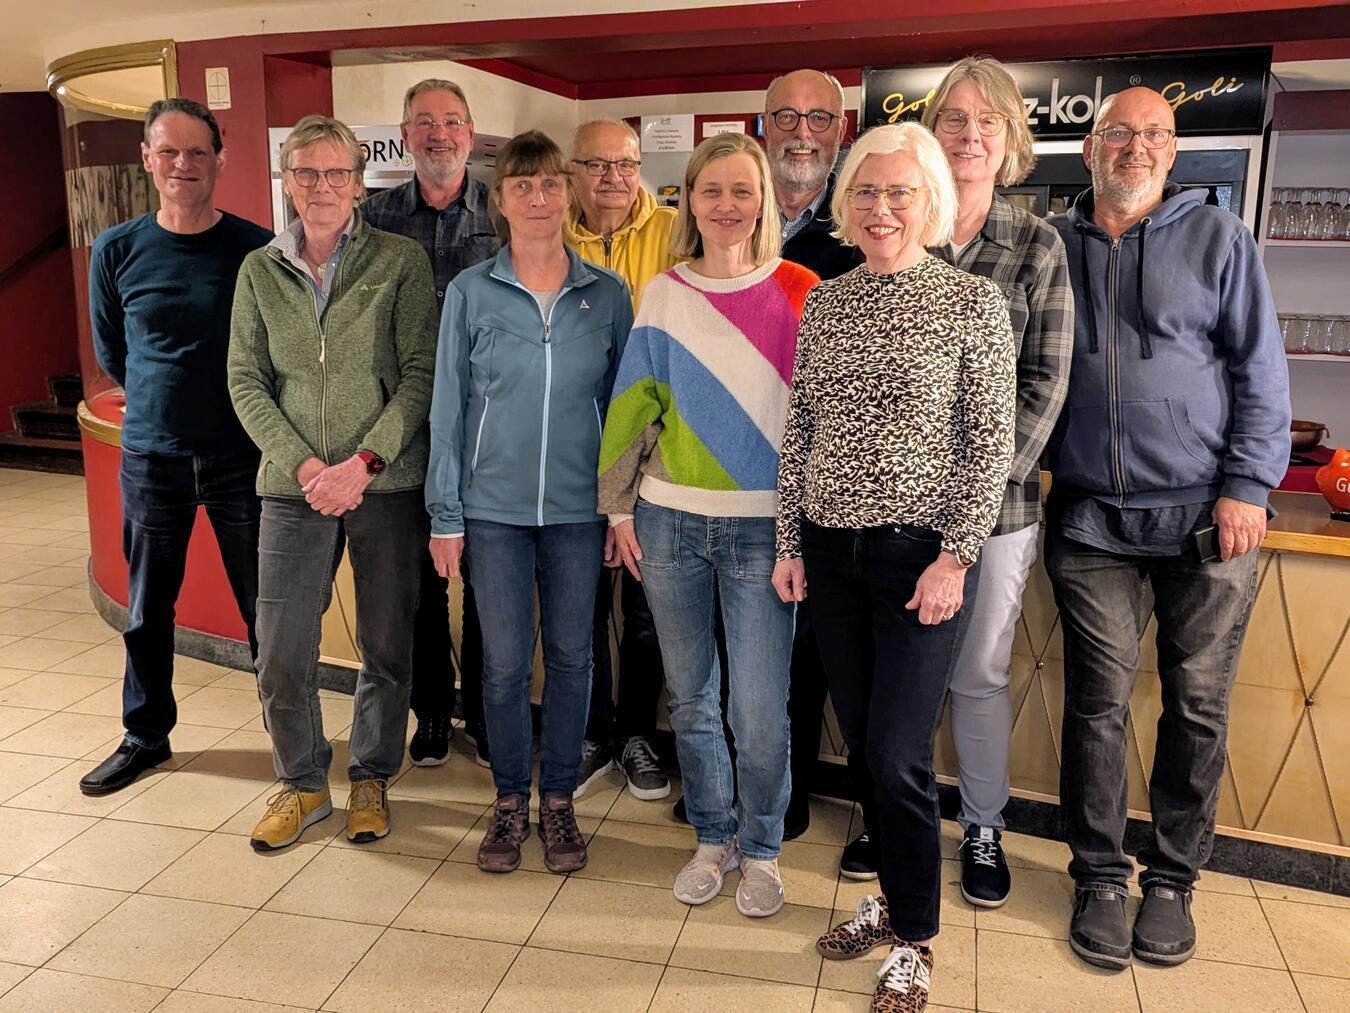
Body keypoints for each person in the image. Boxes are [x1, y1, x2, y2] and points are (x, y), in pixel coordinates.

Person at [1045, 87, 1290, 971]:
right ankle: (1101, 874)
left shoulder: (1220, 238)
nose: (1135, 147)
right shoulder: (1052, 245)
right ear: (1090, 147)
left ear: (1174, 150)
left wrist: (1247, 484)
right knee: (1098, 707)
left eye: (1154, 134)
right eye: (1118, 132)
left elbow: (1262, 368)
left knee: (1196, 704)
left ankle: (1174, 878)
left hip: (1204, 517)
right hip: (1088, 520)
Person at [774, 122, 1015, 1012]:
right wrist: (791, 545)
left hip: (924, 558)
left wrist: (956, 556)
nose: (881, 208)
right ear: (848, 204)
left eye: (900, 192)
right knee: (868, 744)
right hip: (833, 554)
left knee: (895, 751)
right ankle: (894, 900)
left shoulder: (970, 304)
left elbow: (990, 447)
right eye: (867, 192)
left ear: (932, 202)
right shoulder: (828, 303)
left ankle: (915, 936)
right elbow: (802, 430)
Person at [601, 132, 818, 919]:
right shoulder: (663, 292)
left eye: (741, 190)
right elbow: (634, 408)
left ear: (764, 200)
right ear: (687, 199)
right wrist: (620, 507)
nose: (726, 206)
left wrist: (802, 532)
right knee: (690, 697)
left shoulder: (802, 289)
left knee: (760, 708)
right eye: (710, 190)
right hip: (669, 526)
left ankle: (762, 847)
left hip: (764, 531)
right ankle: (712, 835)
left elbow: (818, 422)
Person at [229, 115, 437, 852]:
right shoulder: (260, 270)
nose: (322, 187)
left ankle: (374, 772)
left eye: (337, 173)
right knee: (281, 649)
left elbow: (420, 375)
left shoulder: (400, 261)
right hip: (292, 490)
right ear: (289, 181)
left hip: (384, 487)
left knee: (387, 643)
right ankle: (304, 782)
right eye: (307, 174)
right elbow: (246, 382)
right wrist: (309, 468)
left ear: (359, 181)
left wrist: (363, 464)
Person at [427, 131, 632, 876]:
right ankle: (512, 798)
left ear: (568, 194)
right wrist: (446, 514)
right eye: (523, 186)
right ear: (500, 200)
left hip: (580, 513)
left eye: (550, 184)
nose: (538, 198)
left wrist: (620, 509)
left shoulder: (606, 294)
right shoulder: (471, 293)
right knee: (506, 665)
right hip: (492, 514)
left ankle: (560, 800)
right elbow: (446, 409)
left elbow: (624, 412)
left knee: (574, 659)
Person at [82, 98, 272, 797]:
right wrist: (162, 405)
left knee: (266, 605)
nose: (183, 165)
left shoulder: (255, 247)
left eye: (197, 152)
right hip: (153, 459)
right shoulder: (118, 248)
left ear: (220, 160)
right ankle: (145, 733)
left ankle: (287, 729)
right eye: (169, 152)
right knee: (146, 605)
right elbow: (114, 351)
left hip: (239, 456)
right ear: (147, 159)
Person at [919, 56, 1074, 909]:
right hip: (897, 510)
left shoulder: (1037, 245)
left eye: (988, 122)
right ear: (931, 131)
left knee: (976, 672)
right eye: (954, 118)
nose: (970, 134)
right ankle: (896, 811)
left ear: (1012, 138)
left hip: (1000, 511)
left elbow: (1046, 384)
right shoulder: (901, 231)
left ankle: (983, 824)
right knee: (902, 672)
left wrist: (971, 498)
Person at [362, 78, 499, 771]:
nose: (439, 134)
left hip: (487, 433)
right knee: (419, 583)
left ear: (471, 134)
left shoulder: (503, 213)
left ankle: (481, 708)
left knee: (485, 579)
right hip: (406, 430)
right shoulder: (376, 217)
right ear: (406, 135)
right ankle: (433, 712)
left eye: (451, 121)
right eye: (424, 122)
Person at [762, 68, 867, 857]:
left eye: (819, 118)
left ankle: (790, 788)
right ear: (762, 124)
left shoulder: (862, 230)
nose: (802, 131)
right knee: (738, 643)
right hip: (726, 468)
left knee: (803, 644)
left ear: (842, 131)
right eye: (786, 116)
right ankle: (738, 782)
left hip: (822, 478)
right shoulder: (727, 214)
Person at [564, 118, 679, 802]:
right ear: (574, 171)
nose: (612, 178)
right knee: (579, 606)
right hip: (574, 453)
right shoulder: (549, 236)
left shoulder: (674, 231)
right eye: (597, 165)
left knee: (643, 609)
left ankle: (637, 730)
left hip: (655, 454)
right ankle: (592, 730)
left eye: (625, 164)